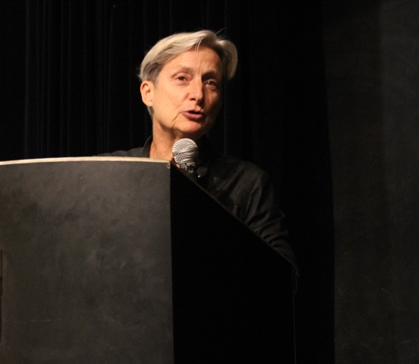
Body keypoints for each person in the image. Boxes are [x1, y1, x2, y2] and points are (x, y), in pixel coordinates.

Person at [105, 30, 295, 266]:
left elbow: (283, 276)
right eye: (182, 78)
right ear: (148, 92)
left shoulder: (246, 184)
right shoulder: (109, 173)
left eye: (210, 82)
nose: (198, 95)